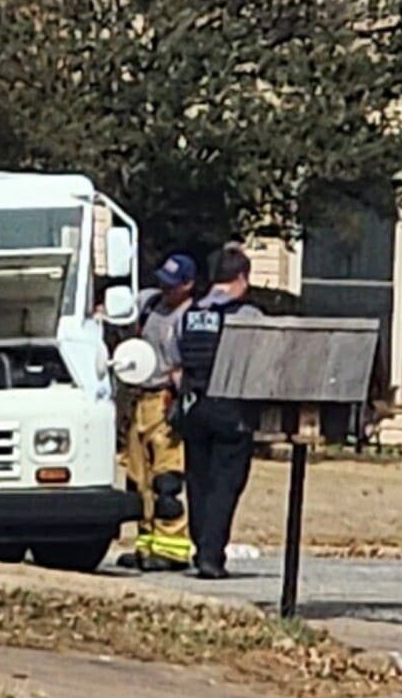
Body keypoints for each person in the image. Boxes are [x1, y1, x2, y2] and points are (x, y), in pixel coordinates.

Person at [167, 244, 263, 579]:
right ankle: (211, 555)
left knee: (198, 481)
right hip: (231, 408)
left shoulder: (188, 315)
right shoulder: (247, 317)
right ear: (240, 278)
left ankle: (200, 547)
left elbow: (174, 364)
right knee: (226, 484)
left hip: (193, 406)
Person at [114, 253, 196, 572]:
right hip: (139, 397)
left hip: (165, 399)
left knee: (167, 479)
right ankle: (145, 541)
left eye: (172, 285)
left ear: (188, 286)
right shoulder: (150, 305)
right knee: (138, 478)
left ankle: (172, 546)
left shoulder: (188, 316)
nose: (165, 289)